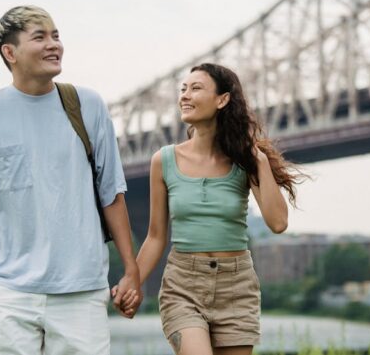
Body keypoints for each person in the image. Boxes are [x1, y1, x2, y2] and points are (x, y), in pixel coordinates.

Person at [0, 5, 141, 355]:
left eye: (56, 35)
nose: (54, 44)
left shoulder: (88, 105)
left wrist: (131, 270)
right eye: (40, 37)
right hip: (9, 295)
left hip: (81, 293)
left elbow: (111, 194)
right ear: (10, 53)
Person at [124, 63, 305, 355]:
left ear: (222, 100)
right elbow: (156, 236)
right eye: (183, 89)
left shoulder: (245, 161)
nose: (185, 95)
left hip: (237, 286)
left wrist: (257, 159)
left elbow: (278, 222)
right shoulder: (164, 160)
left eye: (196, 88)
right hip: (184, 284)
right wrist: (132, 281)